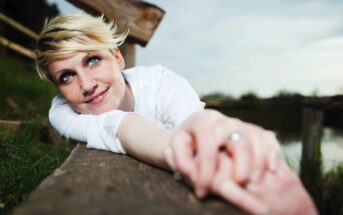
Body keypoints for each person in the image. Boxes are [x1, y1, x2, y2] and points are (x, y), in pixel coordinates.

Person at [35, 12, 317, 214]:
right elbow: (118, 126)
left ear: (117, 57)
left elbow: (193, 121)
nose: (86, 84)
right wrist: (182, 151)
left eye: (93, 59)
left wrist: (220, 131)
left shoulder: (161, 82)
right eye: (67, 77)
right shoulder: (61, 111)